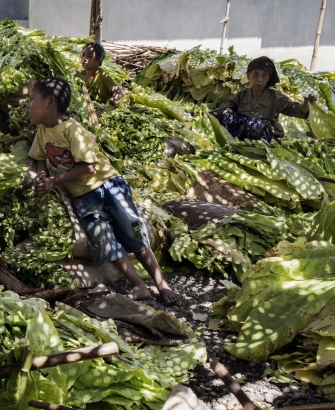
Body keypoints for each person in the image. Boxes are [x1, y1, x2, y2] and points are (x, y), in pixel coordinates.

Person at [27, 77, 180, 304]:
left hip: (107, 186)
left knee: (133, 230)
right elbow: (39, 158)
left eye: (31, 99)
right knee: (103, 239)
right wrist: (42, 176)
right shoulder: (42, 131)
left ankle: (162, 284)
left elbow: (89, 167)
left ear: (50, 102)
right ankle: (139, 285)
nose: (27, 105)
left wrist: (55, 180)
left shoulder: (72, 129)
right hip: (82, 197)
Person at [210, 56, 317, 142]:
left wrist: (307, 103)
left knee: (253, 123)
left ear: (268, 79)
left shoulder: (275, 97)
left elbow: (297, 110)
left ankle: (255, 151)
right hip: (243, 135)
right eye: (255, 75)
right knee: (226, 114)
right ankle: (231, 143)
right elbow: (226, 109)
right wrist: (208, 115)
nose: (259, 79)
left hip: (265, 138)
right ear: (248, 76)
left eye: (264, 76)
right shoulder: (242, 95)